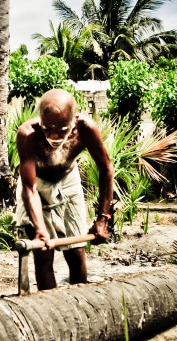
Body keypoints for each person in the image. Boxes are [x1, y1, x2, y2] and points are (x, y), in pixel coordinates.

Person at [14, 88, 115, 290]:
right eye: (47, 128)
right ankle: (50, 310)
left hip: (68, 180)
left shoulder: (87, 129)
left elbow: (106, 169)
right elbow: (30, 187)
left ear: (74, 121)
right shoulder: (28, 135)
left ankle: (80, 304)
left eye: (62, 129)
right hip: (37, 185)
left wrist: (103, 218)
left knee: (76, 252)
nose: (54, 135)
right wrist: (41, 230)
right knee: (43, 253)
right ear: (39, 120)